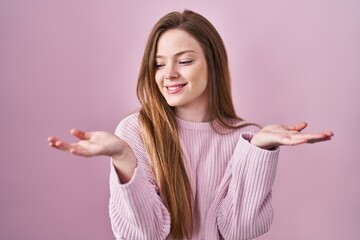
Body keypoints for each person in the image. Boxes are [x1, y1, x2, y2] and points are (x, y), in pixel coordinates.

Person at [48, 10, 334, 240]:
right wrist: (123, 159)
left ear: (212, 63)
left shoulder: (245, 138)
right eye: (159, 64)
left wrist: (260, 150)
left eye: (184, 61)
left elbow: (239, 231)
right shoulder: (135, 130)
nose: (169, 74)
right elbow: (145, 235)